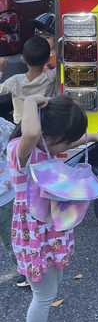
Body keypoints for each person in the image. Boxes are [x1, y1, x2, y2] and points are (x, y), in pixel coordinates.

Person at [9, 94, 98, 322]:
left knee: (50, 287)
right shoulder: (22, 150)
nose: (68, 147)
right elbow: (32, 131)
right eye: (66, 140)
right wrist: (31, 100)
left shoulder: (45, 147)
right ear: (47, 134)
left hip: (48, 235)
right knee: (42, 295)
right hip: (34, 238)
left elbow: (56, 139)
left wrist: (92, 137)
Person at [0, 116, 29, 286]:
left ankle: (25, 270)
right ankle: (26, 270)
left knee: (12, 239)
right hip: (6, 195)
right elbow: (19, 133)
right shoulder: (2, 125)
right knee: (14, 238)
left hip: (4, 197)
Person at [0, 35, 55, 122]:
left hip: (21, 128)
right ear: (48, 59)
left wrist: (0, 70)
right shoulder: (51, 76)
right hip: (45, 124)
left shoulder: (14, 81)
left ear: (23, 59)